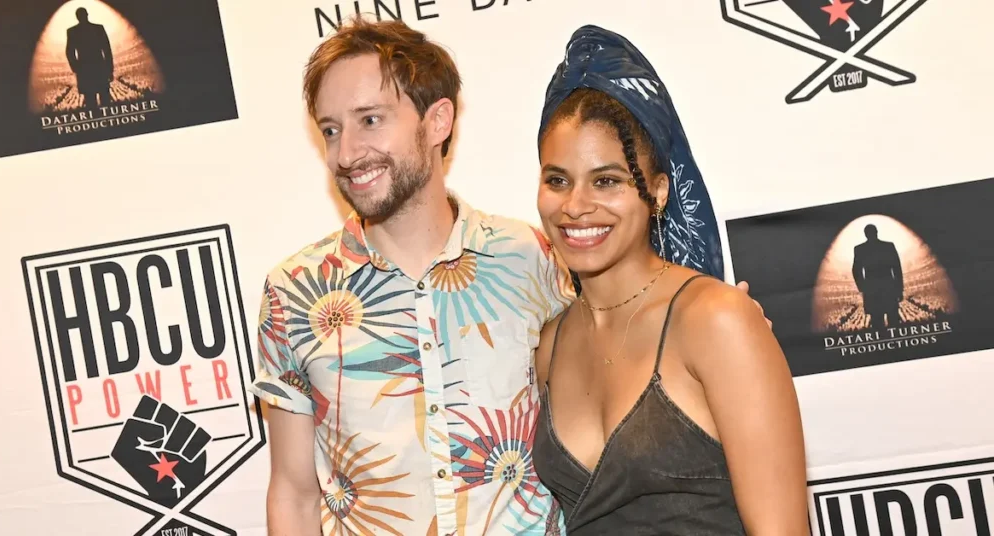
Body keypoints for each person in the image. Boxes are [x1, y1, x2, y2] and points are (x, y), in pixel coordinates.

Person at [248, 17, 773, 536]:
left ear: (437, 121)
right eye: (331, 129)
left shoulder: (535, 257)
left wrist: (725, 340)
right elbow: (293, 494)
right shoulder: (294, 293)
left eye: (370, 120)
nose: (346, 154)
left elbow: (629, 335)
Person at [530, 26, 809, 534]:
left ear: (658, 192)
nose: (574, 206)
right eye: (557, 180)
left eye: (607, 180)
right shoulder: (550, 344)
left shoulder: (714, 319)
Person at [65, 7, 114, 108]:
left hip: (85, 70)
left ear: (77, 17)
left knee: (90, 101)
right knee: (105, 100)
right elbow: (107, 50)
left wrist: (76, 68)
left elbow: (69, 52)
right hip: (99, 68)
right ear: (87, 14)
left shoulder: (72, 31)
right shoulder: (98, 28)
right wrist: (109, 70)